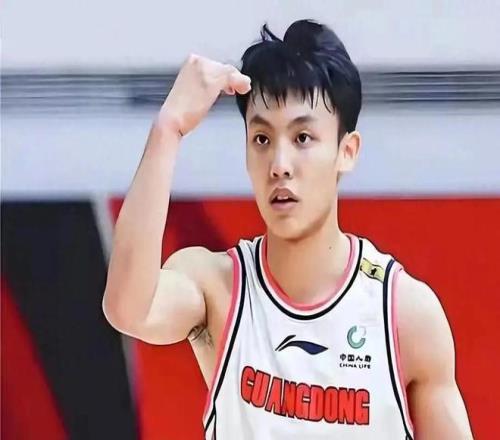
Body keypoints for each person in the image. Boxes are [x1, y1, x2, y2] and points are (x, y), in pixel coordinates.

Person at [103, 19, 473, 439]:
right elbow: (128, 309)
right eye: (262, 139)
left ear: (347, 151)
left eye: (302, 138)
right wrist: (168, 128)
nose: (279, 165)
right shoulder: (217, 287)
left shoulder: (405, 314)